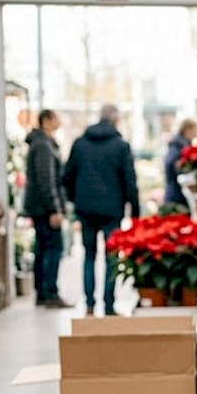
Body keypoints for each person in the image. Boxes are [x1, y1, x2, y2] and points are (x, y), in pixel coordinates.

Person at [61, 104, 140, 316]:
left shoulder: (79, 144)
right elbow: (129, 181)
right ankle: (108, 304)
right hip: (112, 210)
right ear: (115, 120)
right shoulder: (121, 146)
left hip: (85, 209)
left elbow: (66, 176)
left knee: (88, 255)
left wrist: (74, 199)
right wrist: (134, 212)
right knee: (111, 257)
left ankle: (88, 303)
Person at [21, 109, 72, 308]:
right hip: (45, 208)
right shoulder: (43, 146)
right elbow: (46, 179)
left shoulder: (41, 143)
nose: (59, 121)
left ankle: (43, 291)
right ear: (47, 121)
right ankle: (49, 291)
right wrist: (54, 208)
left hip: (39, 207)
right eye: (56, 118)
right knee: (52, 248)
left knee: (43, 248)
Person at [163, 117, 197, 208]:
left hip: (176, 193)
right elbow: (171, 165)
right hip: (176, 195)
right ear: (188, 130)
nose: (196, 134)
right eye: (195, 131)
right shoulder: (178, 146)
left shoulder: (181, 144)